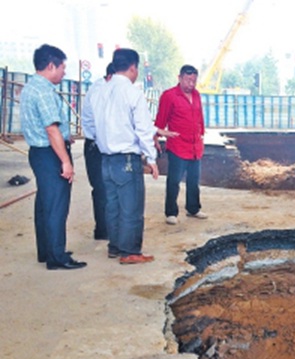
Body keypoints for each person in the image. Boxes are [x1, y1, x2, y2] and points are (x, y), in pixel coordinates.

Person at [90, 48, 174, 265]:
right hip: (126, 159)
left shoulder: (99, 91)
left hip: (105, 159)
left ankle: (115, 247)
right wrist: (152, 159)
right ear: (133, 67)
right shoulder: (132, 92)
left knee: (112, 206)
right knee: (131, 207)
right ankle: (130, 252)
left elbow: (90, 124)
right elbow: (144, 130)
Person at [19, 44, 87, 270]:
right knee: (57, 205)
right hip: (50, 154)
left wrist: (65, 138)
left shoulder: (30, 87)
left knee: (45, 204)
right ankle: (57, 257)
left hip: (39, 153)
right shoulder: (44, 91)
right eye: (62, 67)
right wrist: (66, 161)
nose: (64, 72)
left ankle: (47, 251)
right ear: (51, 66)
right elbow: (51, 129)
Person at [154, 64, 207, 225]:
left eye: (194, 80)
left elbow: (199, 116)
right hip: (177, 146)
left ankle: (193, 208)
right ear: (180, 78)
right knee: (174, 180)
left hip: (194, 146)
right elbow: (161, 119)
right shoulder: (169, 96)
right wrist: (155, 136)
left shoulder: (197, 95)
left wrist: (201, 133)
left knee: (194, 180)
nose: (191, 84)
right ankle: (171, 212)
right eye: (188, 80)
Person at [81, 62, 115, 240]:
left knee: (108, 188)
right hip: (96, 146)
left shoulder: (106, 89)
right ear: (111, 77)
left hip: (102, 144)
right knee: (101, 189)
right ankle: (103, 230)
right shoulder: (99, 92)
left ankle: (108, 228)